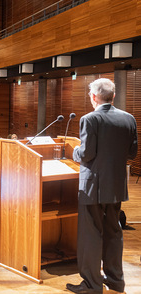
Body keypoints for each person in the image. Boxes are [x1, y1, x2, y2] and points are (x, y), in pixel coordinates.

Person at [66, 78, 137, 294]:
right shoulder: (129, 118)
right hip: (116, 185)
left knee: (91, 234)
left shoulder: (90, 119)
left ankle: (91, 284)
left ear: (94, 97)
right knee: (114, 232)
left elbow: (86, 154)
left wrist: (74, 151)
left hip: (93, 187)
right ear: (113, 96)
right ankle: (115, 281)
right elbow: (132, 153)